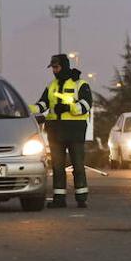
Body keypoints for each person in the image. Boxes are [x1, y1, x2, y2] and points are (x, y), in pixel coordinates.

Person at [29, 54, 93, 208]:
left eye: (56, 67)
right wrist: (27, 109)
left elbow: (86, 105)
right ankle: (59, 198)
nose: (54, 71)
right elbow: (42, 104)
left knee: (77, 164)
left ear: (64, 66)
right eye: (53, 68)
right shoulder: (51, 86)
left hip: (75, 131)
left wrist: (68, 107)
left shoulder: (80, 84)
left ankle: (81, 197)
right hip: (56, 131)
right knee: (57, 166)